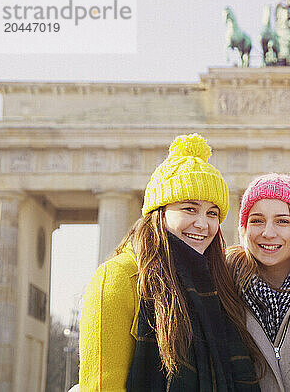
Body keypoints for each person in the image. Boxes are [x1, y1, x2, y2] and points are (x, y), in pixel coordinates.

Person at [79, 133, 260, 391]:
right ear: (160, 212)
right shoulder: (119, 278)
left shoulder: (216, 285)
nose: (203, 224)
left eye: (212, 213)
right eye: (189, 208)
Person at [226, 173, 290, 392]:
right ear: (244, 229)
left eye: (282, 221)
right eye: (257, 221)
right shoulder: (222, 287)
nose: (268, 233)